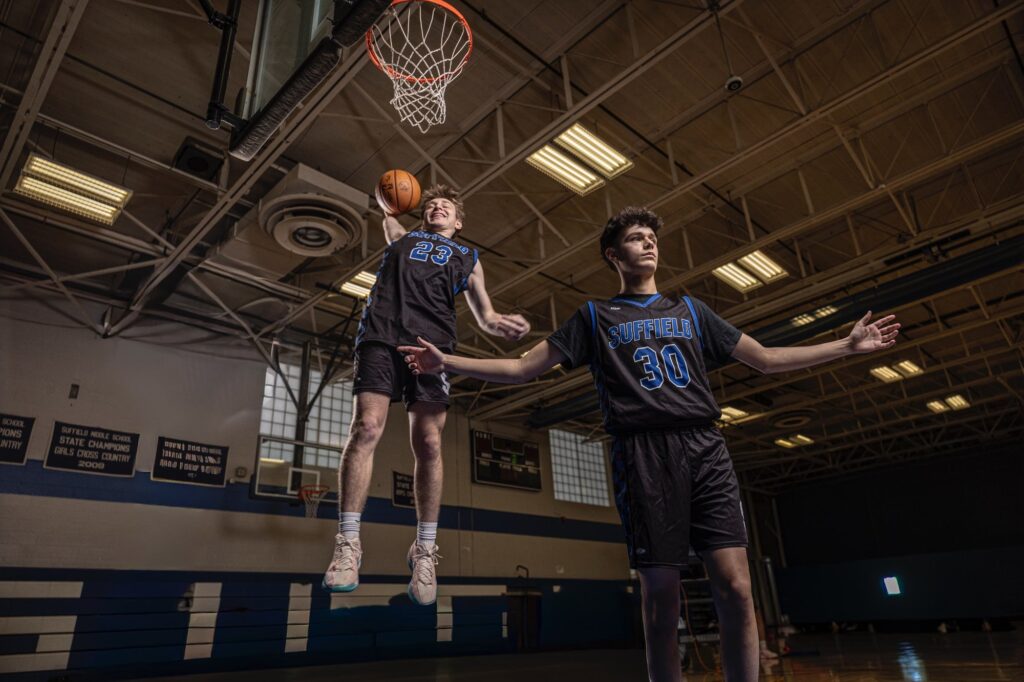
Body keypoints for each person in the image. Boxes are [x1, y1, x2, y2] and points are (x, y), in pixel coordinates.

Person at [398, 206, 900, 681]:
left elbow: (765, 359)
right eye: (637, 238)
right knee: (662, 599)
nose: (649, 244)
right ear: (613, 255)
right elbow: (522, 368)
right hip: (642, 455)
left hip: (705, 448)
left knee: (738, 589)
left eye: (653, 238)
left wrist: (847, 345)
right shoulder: (595, 316)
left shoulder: (692, 310)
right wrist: (449, 362)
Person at [322, 184, 530, 606]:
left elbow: (485, 316)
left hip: (432, 346)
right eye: (432, 203)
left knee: (430, 442)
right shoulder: (403, 238)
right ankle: (347, 542)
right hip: (380, 334)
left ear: (458, 222)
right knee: (366, 427)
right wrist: (387, 204)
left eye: (446, 206)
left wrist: (502, 324)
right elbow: (389, 218)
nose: (437, 206)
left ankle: (425, 550)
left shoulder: (468, 259)